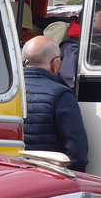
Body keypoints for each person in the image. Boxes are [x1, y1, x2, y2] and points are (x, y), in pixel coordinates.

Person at [21, 35, 88, 172]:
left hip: (10, 174)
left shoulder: (5, 92)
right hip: (48, 177)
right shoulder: (61, 95)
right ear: (55, 63)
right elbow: (77, 153)